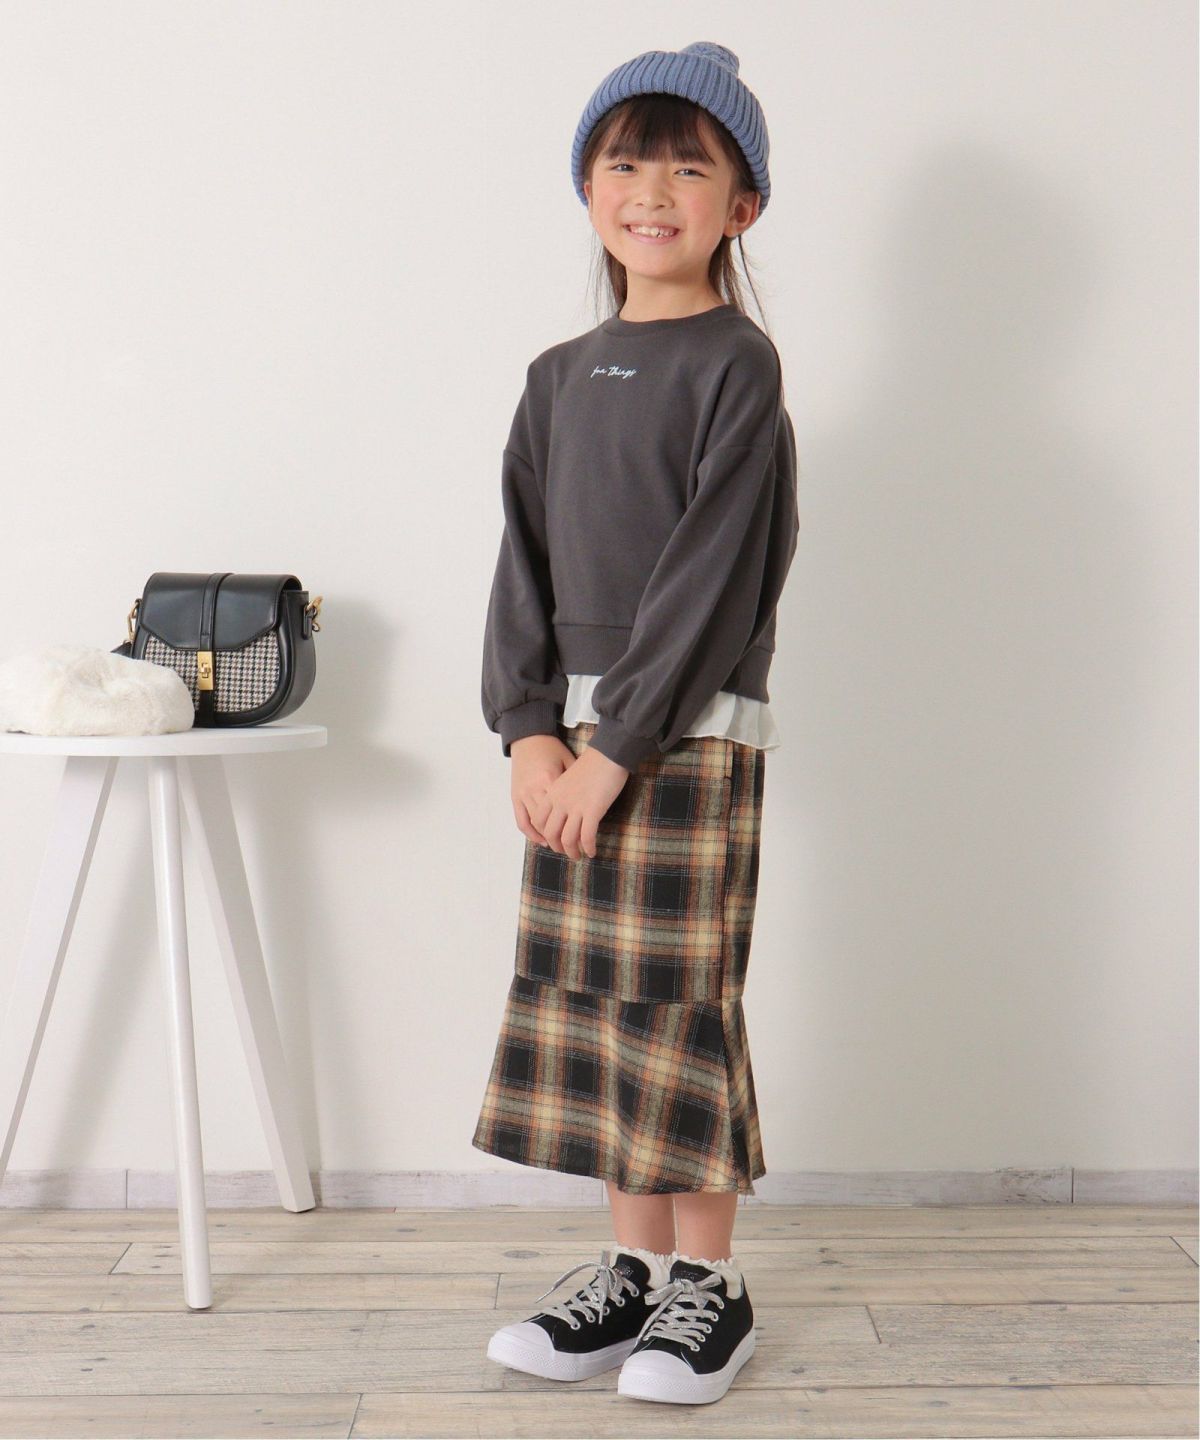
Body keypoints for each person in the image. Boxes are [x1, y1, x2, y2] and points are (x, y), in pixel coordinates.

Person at [471, 40, 798, 1407]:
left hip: (685, 740)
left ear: (740, 206)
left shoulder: (738, 367)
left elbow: (712, 581)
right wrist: (528, 730)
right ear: (586, 188)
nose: (651, 192)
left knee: (679, 1008)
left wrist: (615, 748)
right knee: (597, 1012)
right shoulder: (556, 376)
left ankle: (708, 1286)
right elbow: (523, 563)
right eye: (624, 163)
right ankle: (631, 1271)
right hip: (572, 754)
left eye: (688, 168)